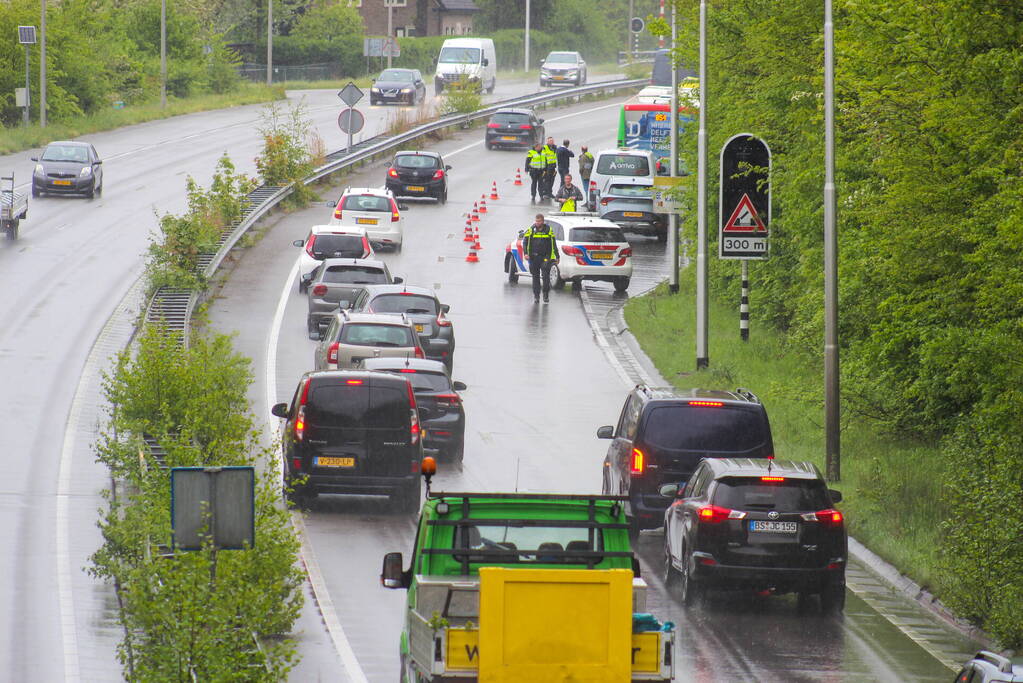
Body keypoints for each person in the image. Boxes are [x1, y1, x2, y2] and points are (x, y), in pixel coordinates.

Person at [521, 213, 559, 303]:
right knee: (535, 277)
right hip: (534, 257)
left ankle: (545, 295)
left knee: (545, 277)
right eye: (536, 221)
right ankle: (536, 296)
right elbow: (525, 242)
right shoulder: (531, 229)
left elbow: (553, 243)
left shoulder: (548, 230)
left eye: (539, 221)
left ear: (543, 221)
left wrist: (557, 256)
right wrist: (526, 253)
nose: (537, 223)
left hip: (545, 257)